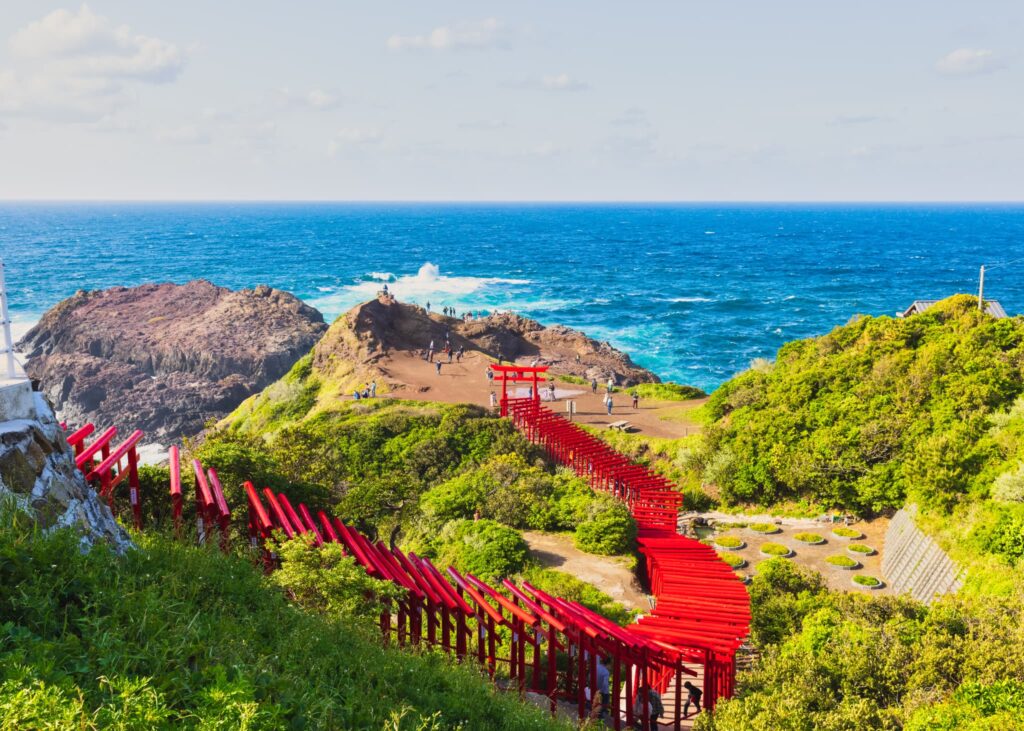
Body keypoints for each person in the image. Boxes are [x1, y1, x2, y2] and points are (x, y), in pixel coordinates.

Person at [589, 656, 611, 720]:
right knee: (604, 702)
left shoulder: (596, 666)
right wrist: (606, 692)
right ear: (608, 663)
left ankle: (594, 713)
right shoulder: (606, 672)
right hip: (601, 690)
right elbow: (605, 684)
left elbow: (589, 676)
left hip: (593, 687)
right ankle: (599, 715)